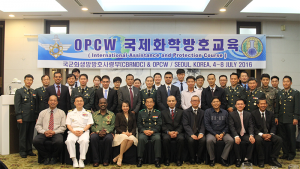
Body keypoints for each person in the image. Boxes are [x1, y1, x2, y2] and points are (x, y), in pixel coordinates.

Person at [33, 95, 66, 165]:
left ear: (57, 102)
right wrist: (44, 132)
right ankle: (46, 157)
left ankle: (54, 157)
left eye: (54, 100)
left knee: (59, 141)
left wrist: (54, 132)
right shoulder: (42, 113)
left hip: (56, 132)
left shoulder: (62, 112)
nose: (52, 102)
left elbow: (63, 127)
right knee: (35, 141)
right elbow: (38, 125)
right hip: (44, 132)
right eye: (51, 100)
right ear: (48, 102)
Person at [252, 99, 282, 168]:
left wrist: (271, 134)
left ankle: (273, 158)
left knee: (279, 140)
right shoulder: (253, 114)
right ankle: (261, 160)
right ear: (258, 105)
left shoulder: (270, 113)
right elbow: (253, 126)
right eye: (261, 104)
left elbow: (273, 126)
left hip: (269, 133)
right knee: (258, 140)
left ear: (267, 105)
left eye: (264, 104)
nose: (263, 105)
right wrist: (262, 135)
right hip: (258, 134)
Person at [275, 76, 299, 161]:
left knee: (291, 137)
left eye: (287, 81)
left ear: (291, 83)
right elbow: (277, 106)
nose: (285, 83)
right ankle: (285, 153)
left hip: (291, 119)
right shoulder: (280, 93)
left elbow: (297, 106)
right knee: (283, 137)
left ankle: (292, 153)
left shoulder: (295, 93)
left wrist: (296, 117)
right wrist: (276, 116)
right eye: (284, 81)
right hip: (281, 119)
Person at [204, 96, 234, 167]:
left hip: (223, 132)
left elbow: (227, 125)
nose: (216, 103)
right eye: (214, 102)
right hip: (211, 132)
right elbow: (207, 125)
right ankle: (212, 159)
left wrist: (223, 133)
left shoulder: (225, 112)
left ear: (220, 103)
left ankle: (223, 158)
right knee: (209, 141)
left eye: (217, 101)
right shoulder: (207, 112)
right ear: (211, 103)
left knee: (230, 140)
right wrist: (215, 134)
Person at [65, 96, 93, 168]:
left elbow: (89, 124)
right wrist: (73, 132)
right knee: (69, 140)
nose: (79, 102)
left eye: (81, 101)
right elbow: (68, 124)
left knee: (85, 141)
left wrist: (83, 131)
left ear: (83, 102)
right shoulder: (70, 113)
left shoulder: (88, 112)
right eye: (77, 101)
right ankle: (74, 159)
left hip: (84, 131)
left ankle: (81, 160)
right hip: (73, 131)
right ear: (74, 103)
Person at [14, 74, 38, 158]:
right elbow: (17, 105)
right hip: (23, 117)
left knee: (30, 135)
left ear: (32, 81)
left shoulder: (33, 91)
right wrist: (19, 116)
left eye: (31, 80)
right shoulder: (19, 91)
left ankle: (29, 150)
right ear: (24, 81)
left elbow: (34, 105)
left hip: (31, 117)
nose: (29, 81)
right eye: (27, 79)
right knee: (23, 135)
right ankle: (22, 151)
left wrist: (36, 117)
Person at [229, 99, 255, 167]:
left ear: (244, 105)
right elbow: (231, 127)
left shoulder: (248, 114)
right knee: (236, 141)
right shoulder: (231, 114)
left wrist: (251, 135)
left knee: (252, 141)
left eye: (241, 104)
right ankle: (238, 159)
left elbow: (251, 126)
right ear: (235, 106)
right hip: (236, 134)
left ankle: (247, 158)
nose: (240, 105)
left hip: (245, 134)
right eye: (238, 104)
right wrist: (236, 136)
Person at [137, 98, 162, 168]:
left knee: (157, 138)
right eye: (147, 102)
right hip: (144, 131)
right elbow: (139, 124)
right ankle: (140, 159)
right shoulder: (141, 112)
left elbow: (159, 124)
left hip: (154, 132)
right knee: (141, 138)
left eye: (151, 102)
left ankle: (157, 159)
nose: (149, 104)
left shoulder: (158, 112)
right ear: (145, 104)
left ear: (154, 103)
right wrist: (144, 130)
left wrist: (153, 131)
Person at [90, 98, 115, 167]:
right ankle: (96, 161)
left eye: (104, 103)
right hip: (96, 133)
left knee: (109, 139)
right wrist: (98, 132)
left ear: (107, 104)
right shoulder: (94, 114)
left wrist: (106, 132)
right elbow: (92, 126)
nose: (103, 104)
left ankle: (106, 160)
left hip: (107, 133)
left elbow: (112, 126)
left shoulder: (112, 114)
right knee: (93, 137)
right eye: (101, 103)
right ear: (98, 105)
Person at [113, 101, 138, 167]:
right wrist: (123, 132)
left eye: (127, 106)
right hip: (121, 133)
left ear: (129, 107)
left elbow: (134, 126)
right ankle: (120, 158)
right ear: (121, 107)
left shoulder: (132, 115)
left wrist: (131, 133)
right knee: (124, 138)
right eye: (124, 106)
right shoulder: (118, 115)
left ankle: (117, 156)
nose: (125, 108)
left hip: (129, 133)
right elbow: (116, 127)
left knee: (132, 139)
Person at [182, 95, 206, 165]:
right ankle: (192, 158)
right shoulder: (186, 112)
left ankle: (199, 157)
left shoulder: (202, 112)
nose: (195, 102)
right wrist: (191, 134)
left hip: (199, 132)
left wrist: (201, 133)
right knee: (190, 140)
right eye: (193, 100)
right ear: (190, 102)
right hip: (190, 133)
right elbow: (185, 125)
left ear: (199, 102)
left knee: (203, 140)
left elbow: (203, 124)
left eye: (196, 100)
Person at [161, 96, 184, 166]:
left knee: (181, 139)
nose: (171, 102)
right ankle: (167, 159)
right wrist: (168, 132)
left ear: (176, 102)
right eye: (170, 101)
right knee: (165, 139)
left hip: (178, 131)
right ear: (167, 102)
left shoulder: (181, 112)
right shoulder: (163, 112)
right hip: (167, 132)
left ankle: (178, 159)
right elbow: (162, 125)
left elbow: (182, 124)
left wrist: (177, 132)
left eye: (173, 101)